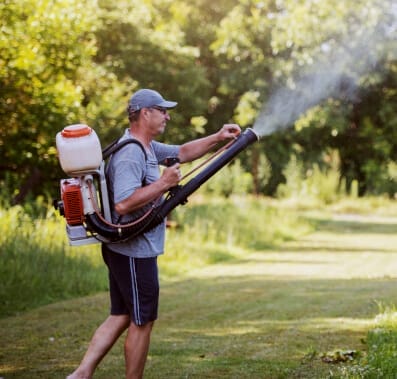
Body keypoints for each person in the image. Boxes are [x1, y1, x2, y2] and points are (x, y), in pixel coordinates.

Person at [66, 89, 241, 379]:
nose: (167, 115)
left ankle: (81, 374)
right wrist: (163, 185)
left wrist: (218, 137)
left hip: (126, 249)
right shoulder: (132, 153)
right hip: (134, 252)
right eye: (162, 110)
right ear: (145, 113)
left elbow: (182, 152)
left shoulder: (146, 146)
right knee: (143, 321)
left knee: (122, 315)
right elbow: (123, 202)